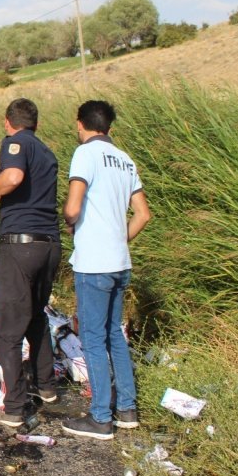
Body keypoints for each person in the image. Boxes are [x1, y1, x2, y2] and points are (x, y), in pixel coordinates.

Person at [61, 100, 151, 440]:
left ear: (80, 124)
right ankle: (126, 409)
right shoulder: (125, 160)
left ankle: (100, 417)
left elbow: (73, 206)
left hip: (94, 262)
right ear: (109, 127)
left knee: (93, 339)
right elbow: (143, 214)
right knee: (115, 335)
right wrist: (119, 238)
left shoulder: (85, 153)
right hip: (119, 261)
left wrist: (72, 222)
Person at [0, 97, 61, 428]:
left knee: (8, 329)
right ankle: (46, 386)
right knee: (36, 316)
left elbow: (11, 178)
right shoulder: (47, 152)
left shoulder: (14, 143)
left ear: (8, 121)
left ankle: (13, 407)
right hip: (49, 246)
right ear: (36, 123)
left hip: (20, 247)